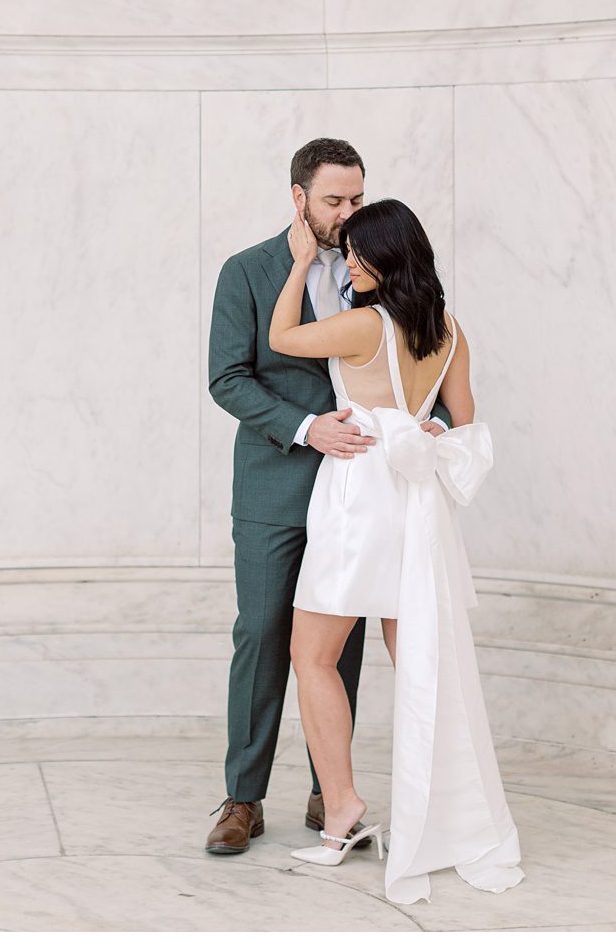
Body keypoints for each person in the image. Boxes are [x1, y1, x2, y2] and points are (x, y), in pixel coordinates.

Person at [269, 197, 522, 902]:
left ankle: (342, 806)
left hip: (359, 493)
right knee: (420, 659)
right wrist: (425, 428)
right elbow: (460, 422)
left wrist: (299, 263)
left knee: (312, 652)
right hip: (417, 501)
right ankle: (445, 811)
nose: (346, 261)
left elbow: (283, 336)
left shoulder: (361, 323)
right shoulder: (447, 329)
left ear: (384, 252)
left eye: (354, 250)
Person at [203, 139, 452, 855]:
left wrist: (431, 419)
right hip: (276, 483)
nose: (347, 214)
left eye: (357, 199)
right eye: (334, 200)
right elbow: (228, 377)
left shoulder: (379, 266)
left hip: (365, 489)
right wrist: (308, 427)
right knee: (262, 632)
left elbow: (426, 352)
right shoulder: (246, 271)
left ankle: (328, 790)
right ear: (298, 197)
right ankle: (243, 798)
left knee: (339, 642)